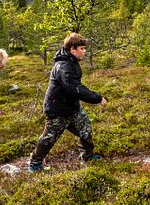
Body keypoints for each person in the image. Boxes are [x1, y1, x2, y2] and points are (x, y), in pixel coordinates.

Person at [28, 33, 107, 173]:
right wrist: (97, 98)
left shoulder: (72, 61)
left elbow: (76, 87)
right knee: (49, 137)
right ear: (72, 49)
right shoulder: (63, 66)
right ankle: (35, 164)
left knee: (85, 127)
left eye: (84, 48)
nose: (84, 51)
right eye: (82, 48)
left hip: (72, 107)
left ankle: (87, 156)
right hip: (57, 109)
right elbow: (75, 89)